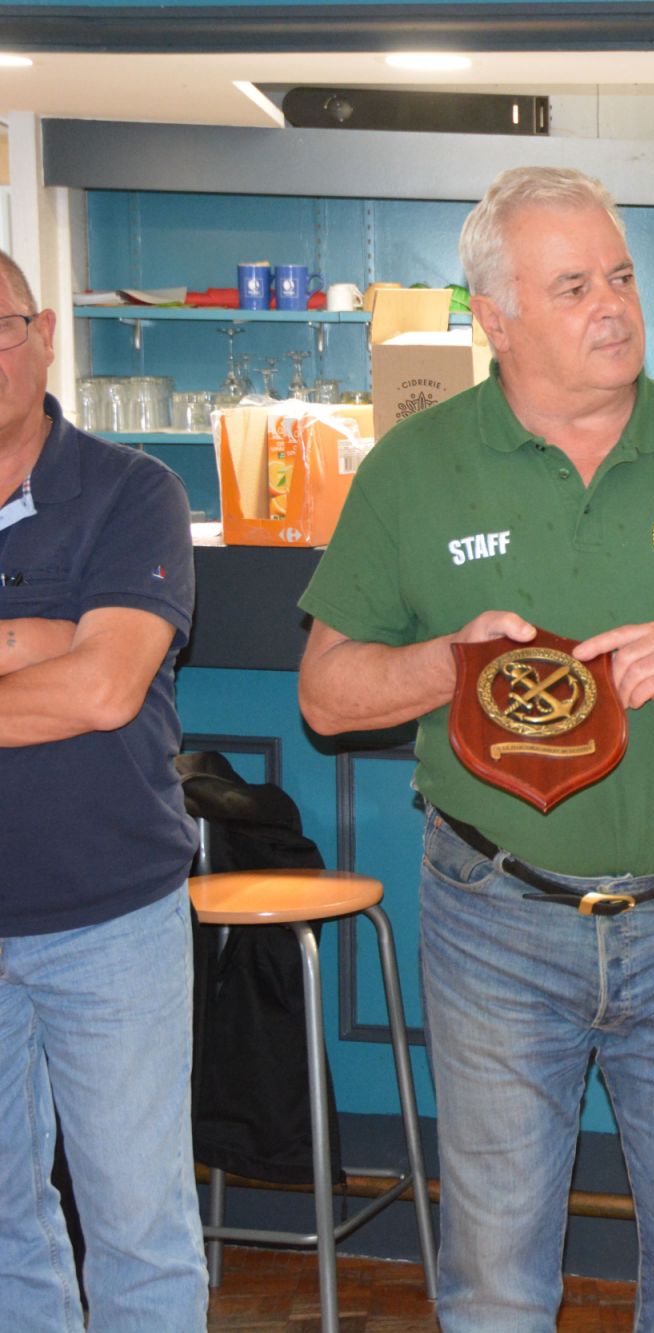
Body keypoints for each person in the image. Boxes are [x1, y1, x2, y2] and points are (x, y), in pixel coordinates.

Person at [296, 167, 654, 1331]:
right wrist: (447, 662)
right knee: (495, 1280)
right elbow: (326, 696)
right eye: (574, 286)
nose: (613, 306)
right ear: (495, 316)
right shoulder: (415, 466)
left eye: (621, 277)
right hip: (494, 919)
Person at [0, 248, 207, 1330]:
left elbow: (102, 688)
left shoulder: (134, 490)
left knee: (137, 1231)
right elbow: (69, 670)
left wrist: (74, 656)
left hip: (109, 916)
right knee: (2, 1228)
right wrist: (39, 638)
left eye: (0, 326)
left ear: (42, 335)